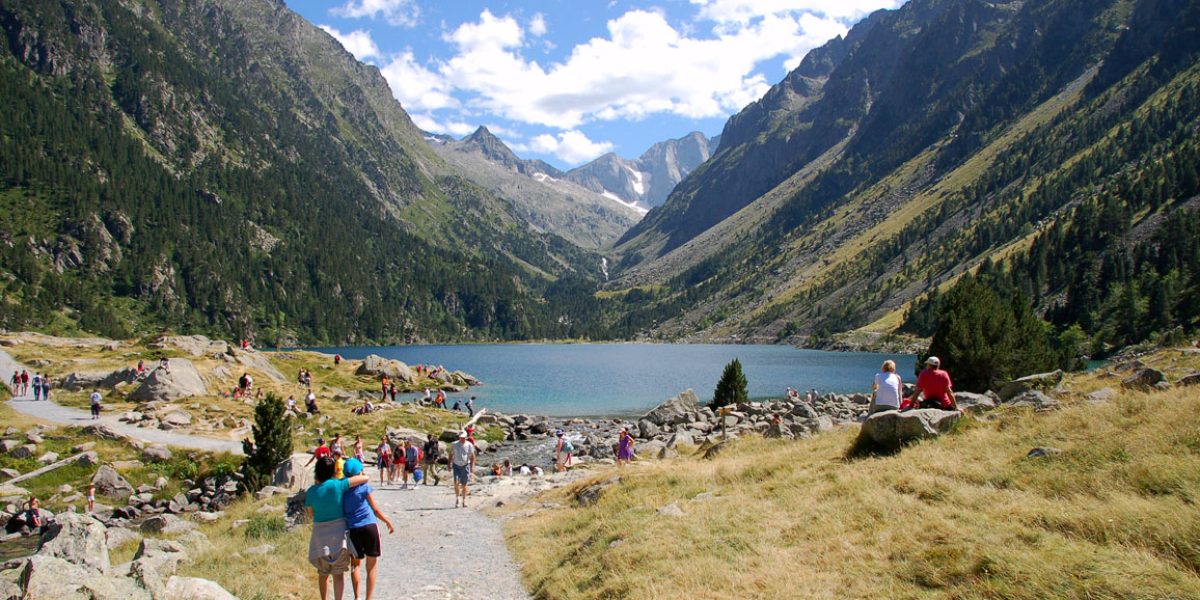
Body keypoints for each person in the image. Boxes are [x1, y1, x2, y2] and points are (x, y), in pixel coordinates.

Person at [304, 457, 370, 600]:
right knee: (338, 574)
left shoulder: (311, 492)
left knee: (322, 573)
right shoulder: (338, 485)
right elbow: (364, 478)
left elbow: (310, 515)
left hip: (319, 536)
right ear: (333, 470)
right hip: (339, 536)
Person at [341, 459, 394, 600]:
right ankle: (368, 598)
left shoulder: (342, 490)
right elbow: (375, 509)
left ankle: (357, 597)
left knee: (355, 564)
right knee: (371, 566)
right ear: (359, 471)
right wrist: (387, 521)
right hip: (369, 526)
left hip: (353, 529)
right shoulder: (364, 486)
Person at [450, 431, 476, 508]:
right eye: (461, 438)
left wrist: (472, 466)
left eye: (464, 438)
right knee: (456, 482)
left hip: (465, 465)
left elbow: (473, 456)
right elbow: (451, 454)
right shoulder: (454, 444)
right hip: (456, 465)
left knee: (464, 484)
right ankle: (457, 498)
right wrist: (449, 464)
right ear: (459, 437)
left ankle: (464, 500)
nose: (462, 439)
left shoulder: (469, 445)